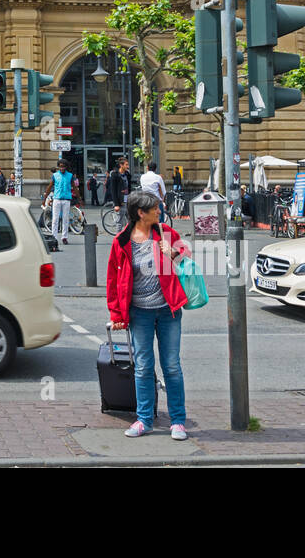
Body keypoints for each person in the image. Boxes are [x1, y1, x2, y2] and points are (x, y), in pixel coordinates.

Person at [107, 189, 191, 441]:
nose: (159, 210)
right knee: (143, 367)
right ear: (140, 213)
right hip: (138, 313)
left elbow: (186, 252)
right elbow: (113, 281)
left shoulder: (166, 233)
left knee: (172, 366)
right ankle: (144, 420)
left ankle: (178, 421)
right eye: (154, 208)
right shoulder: (121, 242)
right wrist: (117, 314)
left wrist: (173, 253)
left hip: (168, 310)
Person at [50, 160, 75, 245]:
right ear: (58, 167)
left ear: (66, 167)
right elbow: (50, 186)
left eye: (63, 166)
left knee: (65, 219)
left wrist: (80, 198)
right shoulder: (55, 175)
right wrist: (45, 198)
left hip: (66, 200)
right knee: (55, 219)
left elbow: (74, 187)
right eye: (60, 166)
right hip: (56, 199)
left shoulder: (70, 176)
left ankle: (64, 237)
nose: (62, 168)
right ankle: (54, 237)